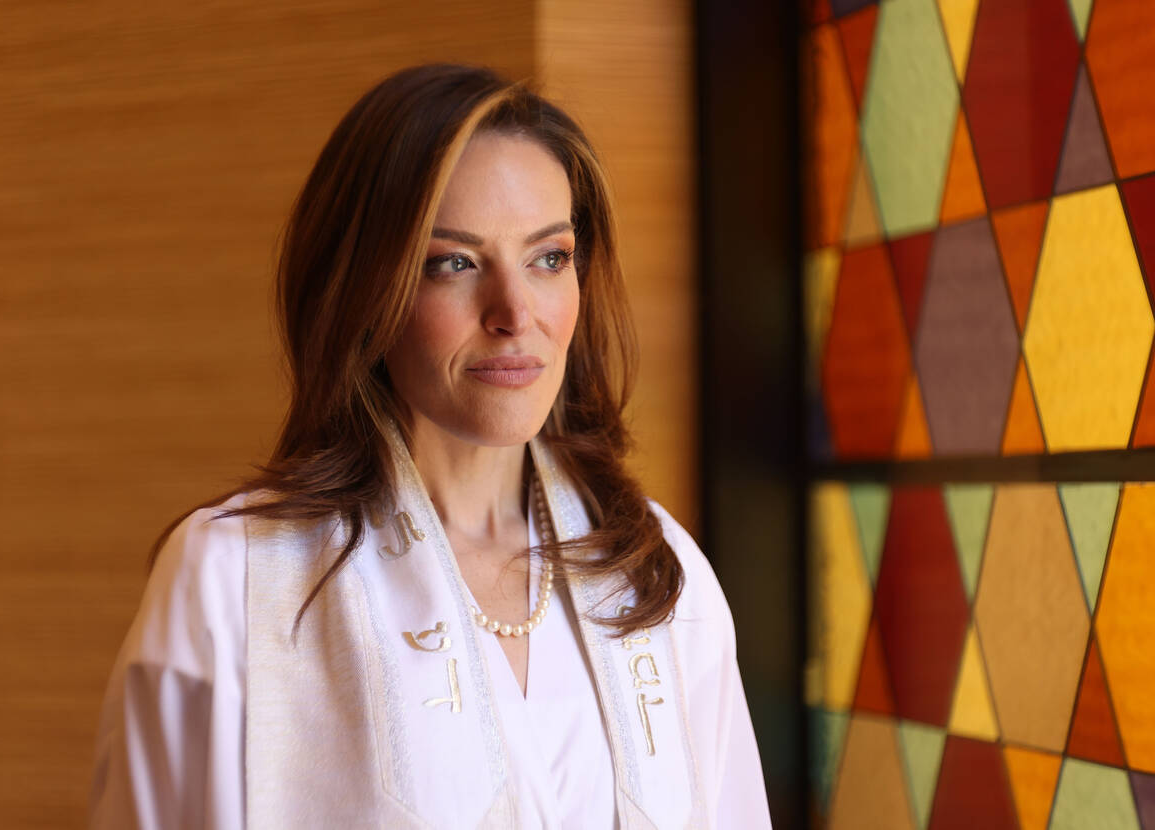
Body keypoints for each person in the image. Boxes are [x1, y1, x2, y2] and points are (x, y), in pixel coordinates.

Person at [89, 63, 772, 829]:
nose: (515, 312)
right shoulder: (232, 582)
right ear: (364, 289)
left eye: (549, 258)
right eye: (453, 263)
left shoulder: (656, 575)